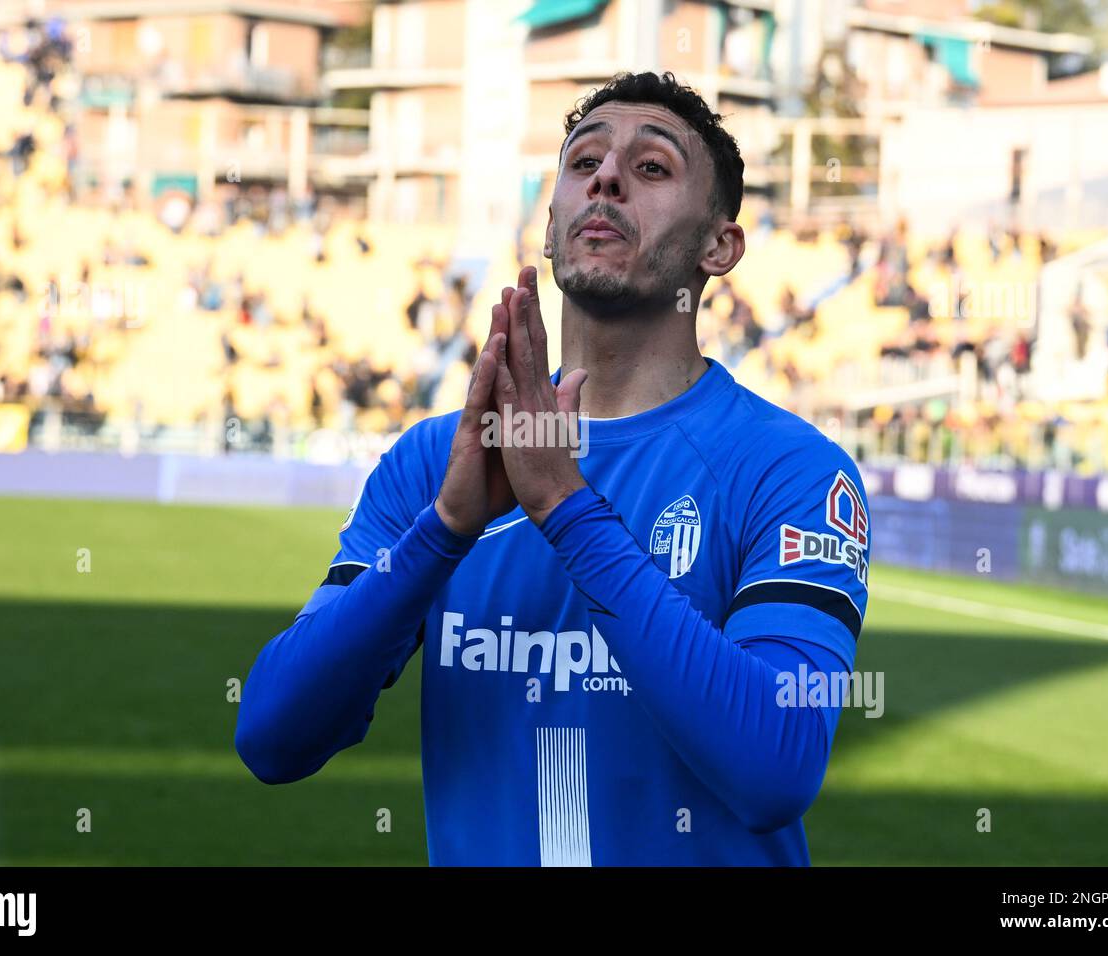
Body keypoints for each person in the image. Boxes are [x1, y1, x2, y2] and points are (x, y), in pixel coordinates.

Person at [236, 71, 870, 866]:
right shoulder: (437, 464)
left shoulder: (793, 471)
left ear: (721, 245)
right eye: (583, 162)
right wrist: (444, 533)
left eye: (651, 168)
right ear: (550, 226)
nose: (606, 177)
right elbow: (272, 737)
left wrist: (565, 507)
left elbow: (775, 766)